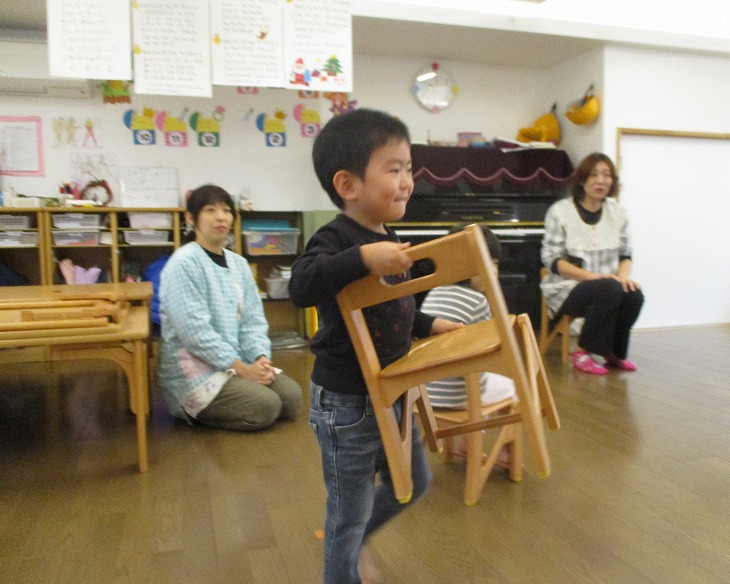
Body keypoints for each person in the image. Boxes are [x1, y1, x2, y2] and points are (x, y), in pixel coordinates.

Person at [289, 108, 461, 584]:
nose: (407, 182)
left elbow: (390, 308)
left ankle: (352, 539)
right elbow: (302, 284)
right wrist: (363, 257)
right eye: (394, 169)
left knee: (413, 485)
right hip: (348, 404)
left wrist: (429, 324)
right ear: (348, 184)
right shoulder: (337, 238)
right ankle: (343, 560)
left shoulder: (389, 235)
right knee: (347, 513)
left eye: (409, 168)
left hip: (393, 392)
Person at [158, 184, 303, 431]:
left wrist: (260, 360)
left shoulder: (239, 264)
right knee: (266, 406)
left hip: (237, 362)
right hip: (196, 372)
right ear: (191, 218)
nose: (221, 217)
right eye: (210, 210)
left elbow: (252, 320)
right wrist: (244, 370)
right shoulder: (183, 263)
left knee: (292, 398)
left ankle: (244, 388)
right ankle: (198, 412)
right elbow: (195, 334)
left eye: (226, 210)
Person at [540, 152, 644, 375]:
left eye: (607, 175)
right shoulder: (560, 211)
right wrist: (594, 277)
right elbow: (551, 260)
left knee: (634, 294)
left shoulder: (618, 213)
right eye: (594, 175)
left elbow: (626, 255)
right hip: (567, 287)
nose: (601, 181)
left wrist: (623, 278)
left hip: (608, 286)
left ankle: (614, 352)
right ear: (582, 180)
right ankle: (582, 352)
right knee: (609, 288)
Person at [420, 223, 516, 409]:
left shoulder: (434, 292)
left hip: (426, 397)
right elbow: (494, 352)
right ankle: (479, 427)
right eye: (485, 262)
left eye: (495, 263)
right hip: (461, 398)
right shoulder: (477, 301)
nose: (493, 271)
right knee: (511, 385)